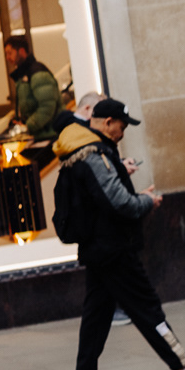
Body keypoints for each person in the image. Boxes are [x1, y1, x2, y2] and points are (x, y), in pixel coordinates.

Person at [53, 97, 185, 370]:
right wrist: (147, 201)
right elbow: (120, 203)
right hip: (114, 249)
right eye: (121, 126)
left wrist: (120, 172)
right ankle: (184, 368)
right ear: (107, 123)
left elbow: (99, 194)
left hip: (98, 248)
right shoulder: (94, 154)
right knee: (146, 308)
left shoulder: (80, 149)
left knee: (96, 316)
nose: (122, 133)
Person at [56, 91, 133, 327]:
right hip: (99, 229)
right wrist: (144, 202)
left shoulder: (80, 137)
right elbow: (97, 177)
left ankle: (118, 311)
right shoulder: (81, 136)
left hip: (97, 231)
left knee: (96, 303)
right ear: (89, 111)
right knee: (143, 305)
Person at [4, 36, 64, 140]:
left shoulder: (37, 74)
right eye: (6, 54)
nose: (8, 57)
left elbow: (47, 107)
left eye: (10, 53)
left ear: (21, 51)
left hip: (50, 135)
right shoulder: (23, 76)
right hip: (39, 135)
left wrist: (28, 126)